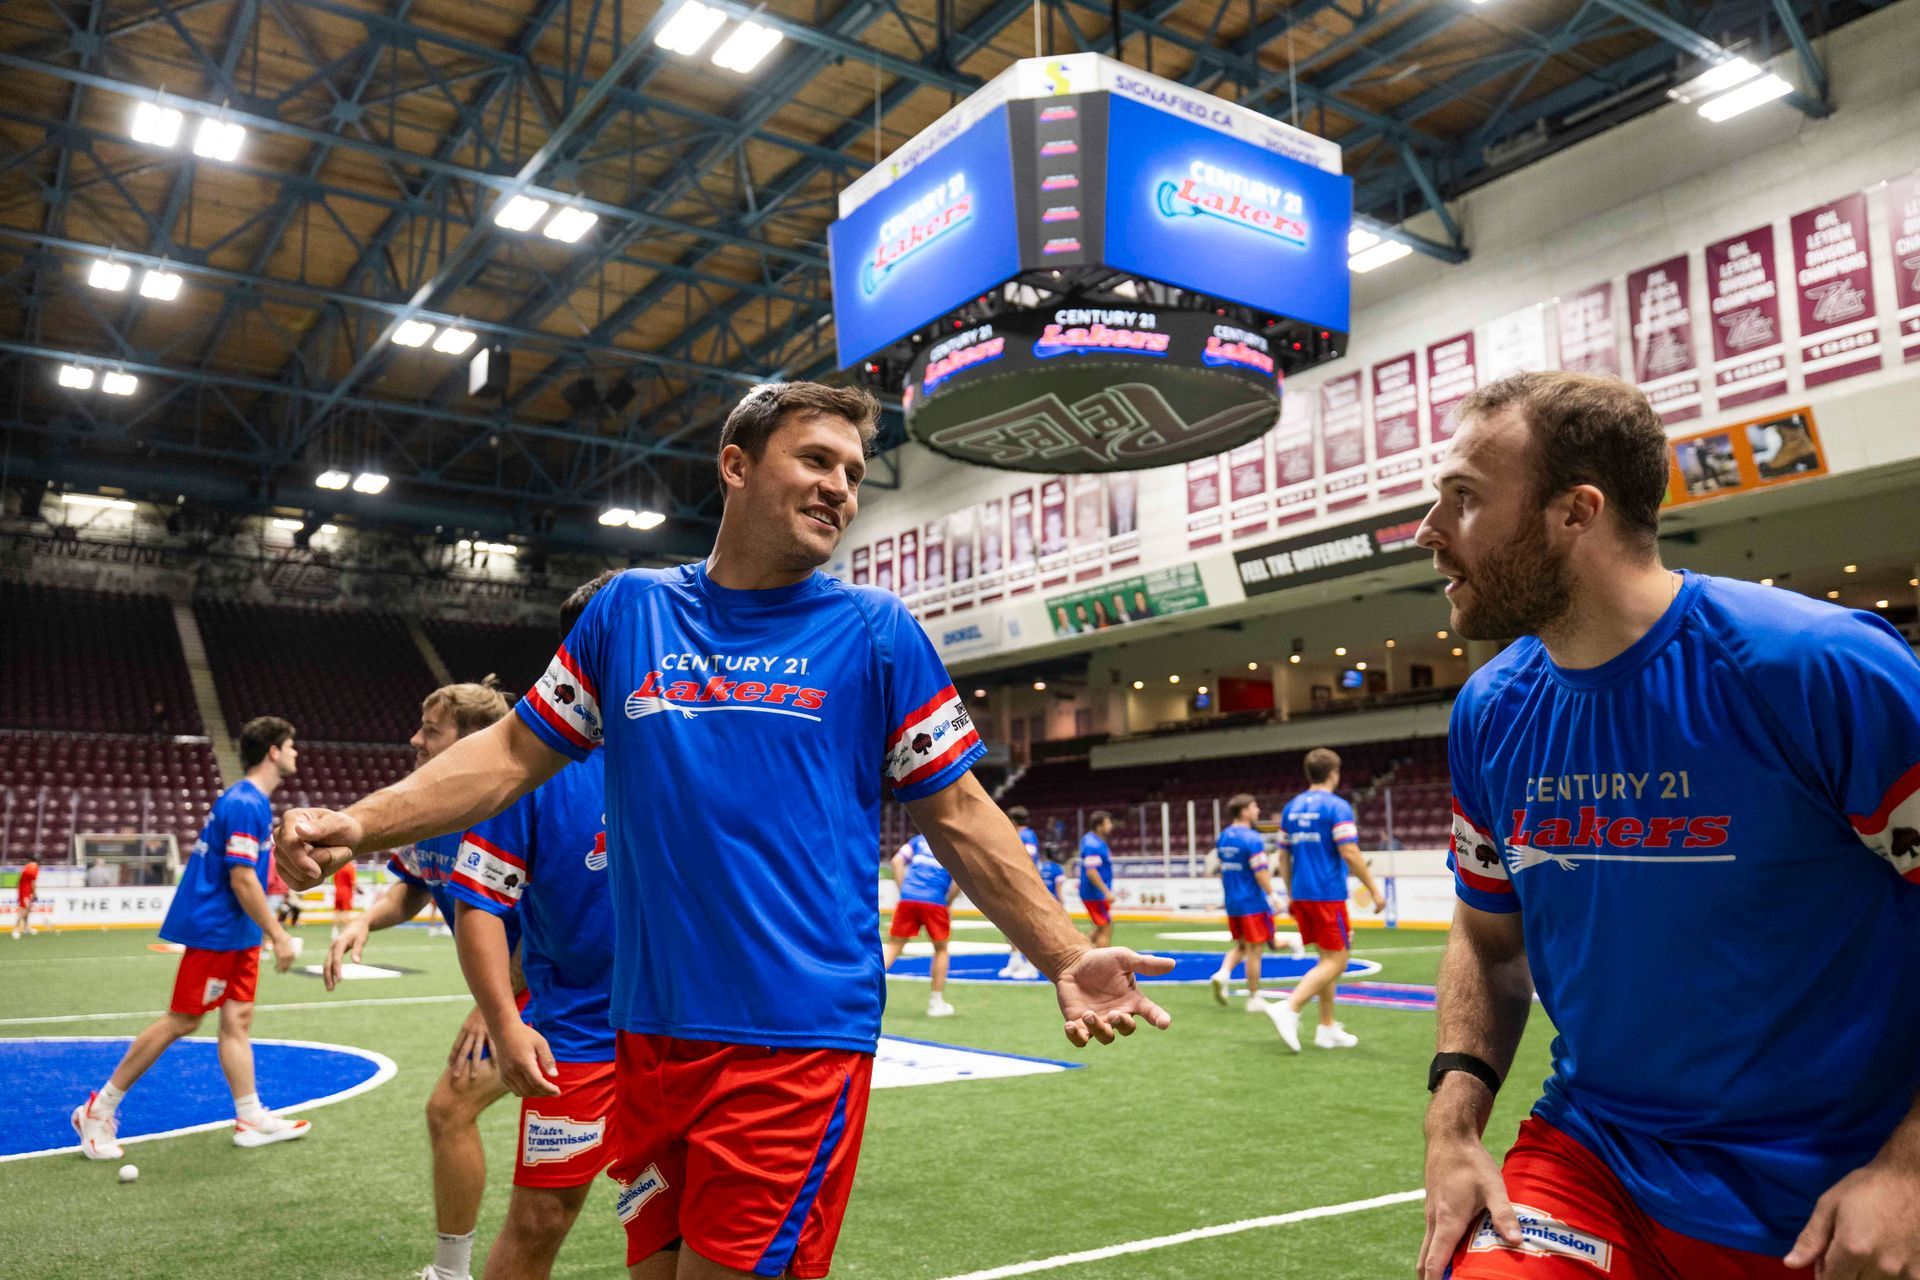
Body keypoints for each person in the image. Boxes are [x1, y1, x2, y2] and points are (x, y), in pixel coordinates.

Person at [276, 381, 1172, 1280]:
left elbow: (960, 811)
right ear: (736, 467)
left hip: (794, 1041)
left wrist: (1063, 954)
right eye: (816, 460)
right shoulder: (627, 613)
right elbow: (508, 753)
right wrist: (359, 821)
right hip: (646, 1040)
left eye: (853, 473)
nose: (840, 487)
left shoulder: (876, 633)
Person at [1412, 371, 1920, 1280]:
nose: (1429, 531)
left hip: (1835, 1184)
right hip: (1596, 1160)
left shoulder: (1817, 669)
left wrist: (1910, 1168)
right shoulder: (1490, 710)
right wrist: (1452, 1127)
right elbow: (1489, 941)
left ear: (1577, 512)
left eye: (1465, 498)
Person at [447, 570, 619, 1280]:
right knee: (539, 1221)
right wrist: (503, 1020)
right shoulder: (530, 765)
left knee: (671, 1224)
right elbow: (480, 905)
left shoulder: (685, 747)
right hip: (579, 1037)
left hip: (685, 1035)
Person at [325, 679, 516, 1280]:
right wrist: (364, 921)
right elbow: (412, 886)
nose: (415, 739)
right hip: (513, 996)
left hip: (545, 990)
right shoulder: (435, 811)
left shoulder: (510, 808)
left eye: (431, 730)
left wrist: (493, 1008)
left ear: (473, 741)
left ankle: (451, 1273)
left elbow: (555, 921)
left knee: (448, 1110)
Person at [71, 717, 307, 1160]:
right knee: (182, 1020)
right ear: (273, 751)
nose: (296, 752)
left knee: (237, 1020)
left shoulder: (252, 802)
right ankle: (97, 1110)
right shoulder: (246, 803)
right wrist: (278, 934)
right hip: (217, 930)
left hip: (238, 932)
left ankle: (250, 1117)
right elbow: (241, 878)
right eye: (291, 745)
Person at [1267, 748, 1385, 1053]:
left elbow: (1282, 856)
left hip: (1302, 894)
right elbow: (1349, 851)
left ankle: (1327, 1027)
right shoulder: (1337, 806)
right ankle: (1289, 1007)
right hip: (1327, 894)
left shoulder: (1291, 807)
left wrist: (1291, 893)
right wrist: (1374, 889)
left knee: (1326, 958)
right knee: (1337, 960)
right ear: (1334, 773)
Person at [1207, 795, 1286, 1013]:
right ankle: (1253, 997)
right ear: (1244, 811)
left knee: (1242, 946)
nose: (1257, 810)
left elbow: (1223, 869)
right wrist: (1273, 895)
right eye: (1254, 806)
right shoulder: (1252, 838)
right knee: (1255, 951)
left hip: (1233, 902)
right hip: (1252, 903)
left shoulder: (1223, 836)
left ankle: (1223, 973)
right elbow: (1260, 872)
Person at [882, 832, 960, 1018]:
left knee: (893, 947)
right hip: (935, 901)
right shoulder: (953, 843)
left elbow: (896, 861)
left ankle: (862, 992)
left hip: (908, 898)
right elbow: (959, 878)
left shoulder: (919, 840)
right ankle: (936, 1002)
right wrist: (948, 901)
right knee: (941, 949)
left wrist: (905, 890)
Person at [997, 805, 1044, 980]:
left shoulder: (1026, 836)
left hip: (1022, 885)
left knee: (1025, 925)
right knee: (1010, 922)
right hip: (1014, 884)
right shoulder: (1019, 835)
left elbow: (1026, 860)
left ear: (1012, 820)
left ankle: (1032, 965)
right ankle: (1015, 959)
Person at [1078, 811, 1116, 947]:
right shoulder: (1092, 844)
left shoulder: (1095, 841)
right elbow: (1091, 872)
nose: (1111, 826)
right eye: (1108, 823)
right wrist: (1106, 892)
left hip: (1095, 893)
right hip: (1094, 894)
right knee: (1105, 928)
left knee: (1101, 927)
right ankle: (1103, 959)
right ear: (1099, 826)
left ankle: (1078, 949)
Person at [11, 857, 39, 937]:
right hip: (24, 892)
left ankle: (26, 928)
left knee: (28, 910)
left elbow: (20, 880)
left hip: (24, 890)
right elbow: (33, 882)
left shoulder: (26, 867)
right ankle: (15, 929)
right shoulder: (34, 868)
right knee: (23, 910)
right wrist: (34, 894)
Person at [331, 859, 357, 941]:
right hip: (346, 893)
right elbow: (353, 882)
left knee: (337, 912)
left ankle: (334, 931)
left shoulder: (338, 867)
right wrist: (356, 890)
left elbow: (334, 880)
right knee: (346, 913)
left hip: (338, 892)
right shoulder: (350, 867)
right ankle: (346, 932)